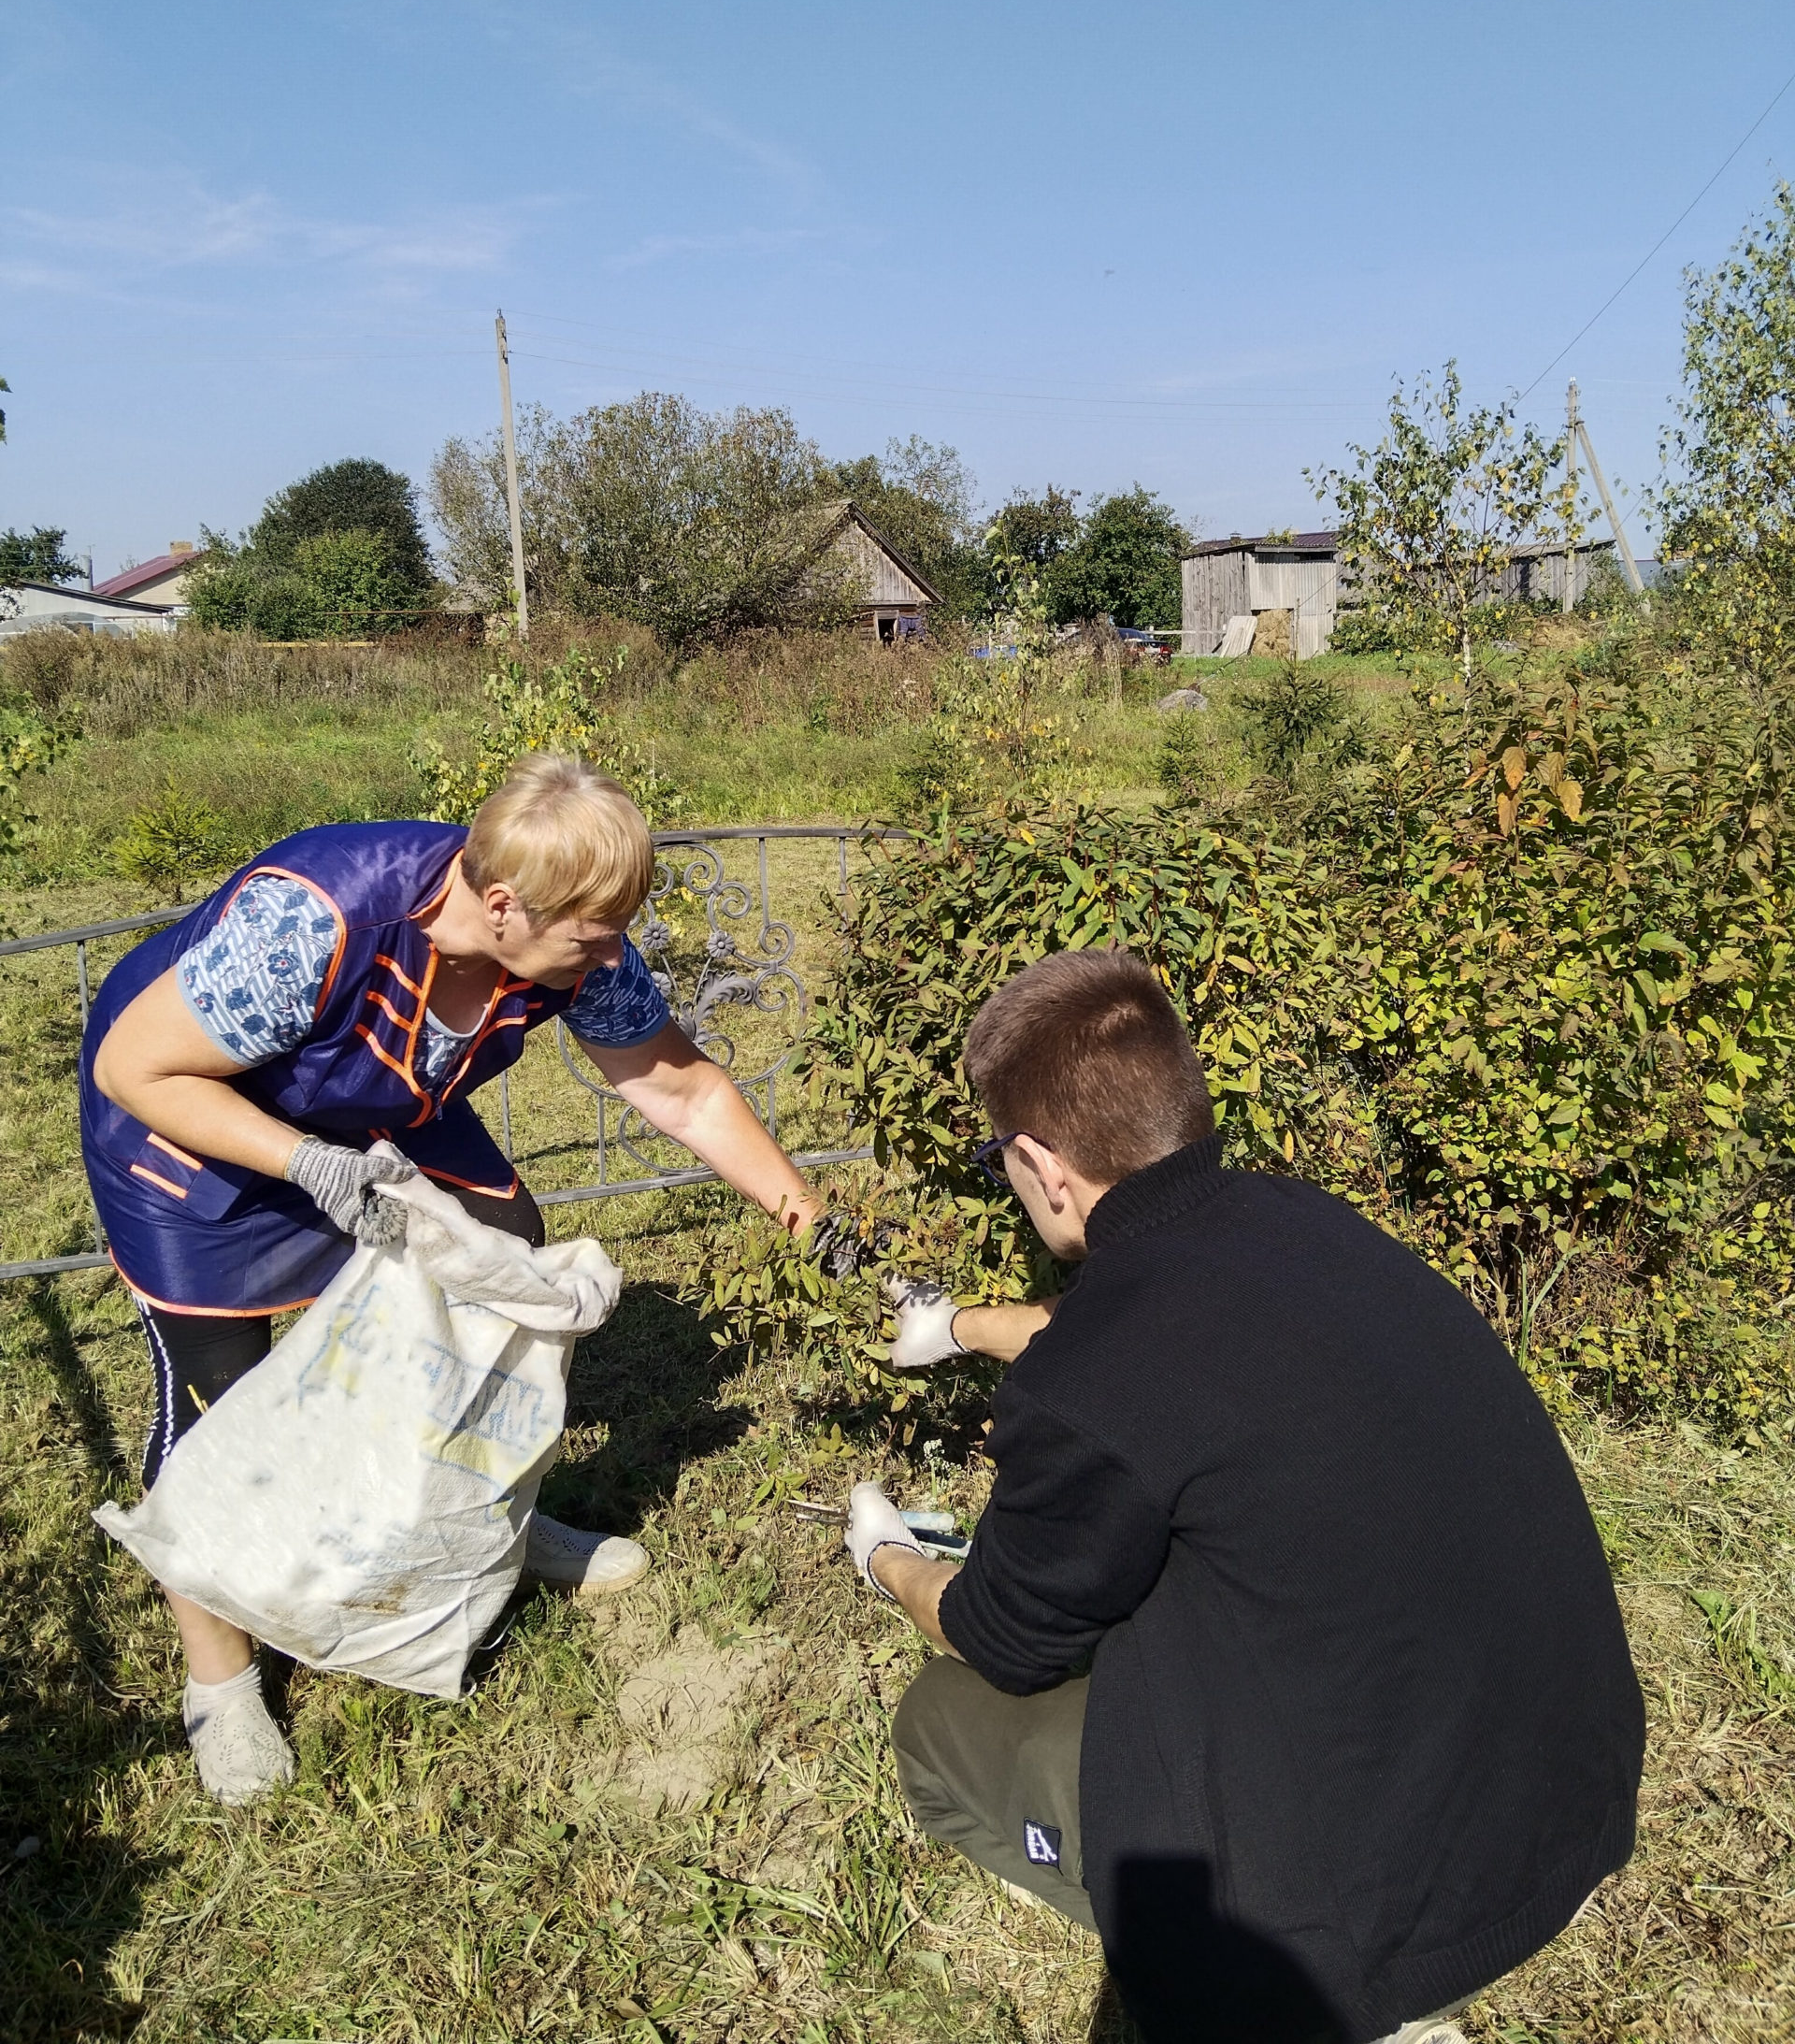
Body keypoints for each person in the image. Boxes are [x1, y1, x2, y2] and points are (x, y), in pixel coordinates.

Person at [840, 948, 1644, 2044]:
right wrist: (962, 1326)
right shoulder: (1295, 1224)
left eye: (999, 1160)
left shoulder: (1098, 1378)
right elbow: (1136, 1352)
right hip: (1570, 1800)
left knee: (942, 1725)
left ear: (1043, 1165)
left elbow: (1001, 1637)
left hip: (1379, 1919)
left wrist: (884, 1553)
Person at [84, 753, 835, 1806]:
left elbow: (681, 1088)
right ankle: (221, 1680)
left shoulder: (577, 942)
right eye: (594, 933)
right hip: (189, 1124)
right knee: (219, 1400)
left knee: (504, 1251)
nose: (615, 953)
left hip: (371, 1111)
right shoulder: (316, 921)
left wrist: (799, 1205)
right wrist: (306, 1164)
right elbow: (136, 1067)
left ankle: (489, 1524)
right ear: (500, 903)